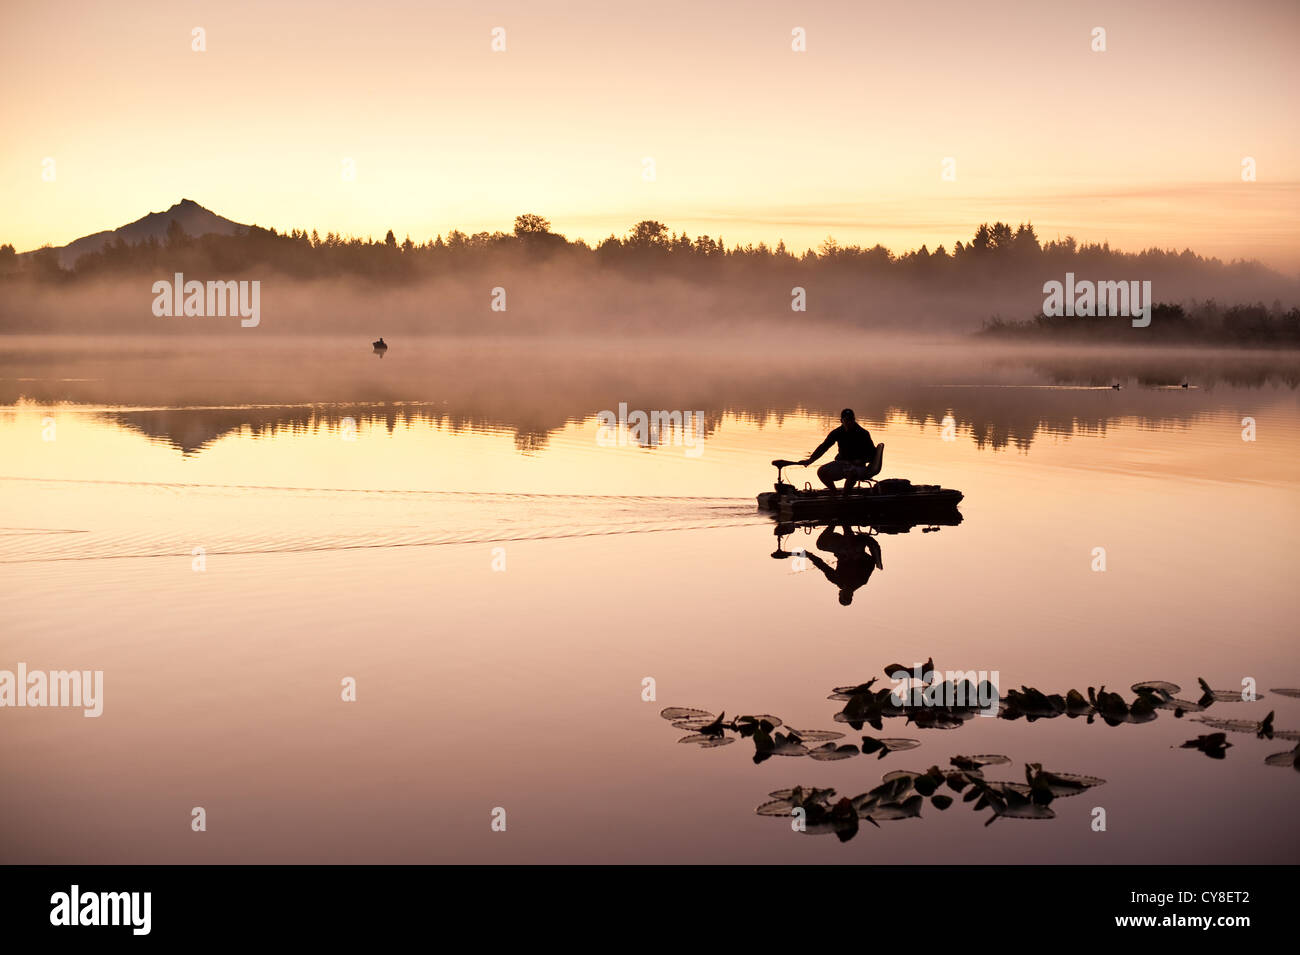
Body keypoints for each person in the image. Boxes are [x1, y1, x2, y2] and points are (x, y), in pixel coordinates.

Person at [799, 409, 876, 492]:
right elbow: (824, 446)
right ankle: (834, 493)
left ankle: (845, 496)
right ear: (841, 421)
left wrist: (862, 460)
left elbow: (872, 453)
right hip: (842, 463)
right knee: (821, 471)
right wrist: (811, 459)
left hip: (859, 466)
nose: (849, 422)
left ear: (854, 420)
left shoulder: (863, 433)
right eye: (846, 420)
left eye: (851, 420)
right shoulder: (837, 432)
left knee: (852, 473)